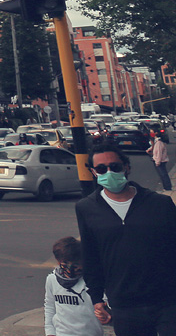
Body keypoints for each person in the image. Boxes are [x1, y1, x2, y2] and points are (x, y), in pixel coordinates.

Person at [76, 139, 176, 335]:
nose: (109, 172)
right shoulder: (86, 208)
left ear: (126, 167)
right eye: (102, 169)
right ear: (94, 172)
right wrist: (97, 298)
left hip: (167, 300)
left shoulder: (160, 204)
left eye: (115, 166)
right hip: (124, 303)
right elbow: (91, 256)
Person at [44, 236, 103, 336]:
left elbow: (104, 305)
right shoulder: (52, 279)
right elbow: (50, 306)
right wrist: (50, 331)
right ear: (59, 262)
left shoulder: (91, 281)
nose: (72, 267)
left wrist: (104, 314)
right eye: (66, 263)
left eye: (76, 263)